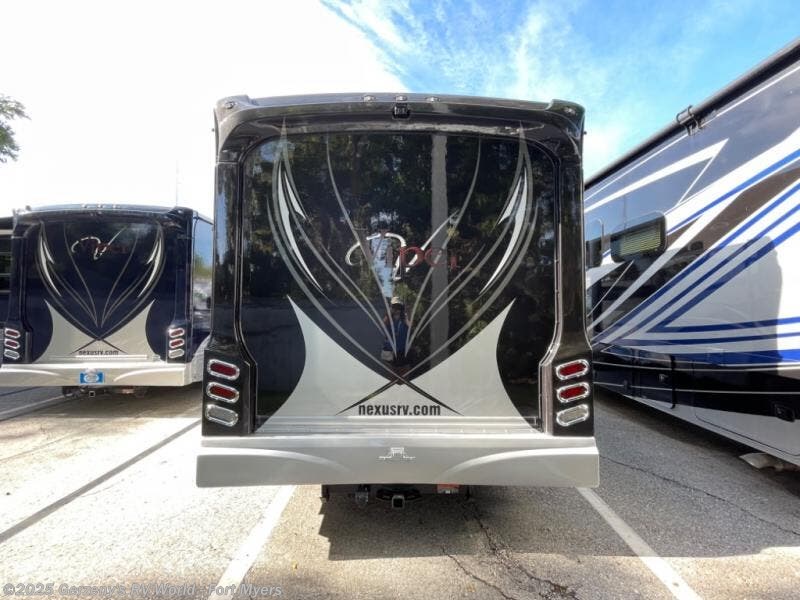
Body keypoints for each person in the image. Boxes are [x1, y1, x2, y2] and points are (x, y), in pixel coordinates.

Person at [381, 297, 410, 369]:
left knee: (404, 371)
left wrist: (405, 315)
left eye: (399, 306)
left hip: (402, 350)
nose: (397, 309)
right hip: (390, 351)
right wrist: (389, 313)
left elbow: (410, 326)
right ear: (391, 307)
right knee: (392, 371)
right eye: (394, 306)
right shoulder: (388, 318)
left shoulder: (404, 318)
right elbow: (383, 325)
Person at [369, 221, 394, 301]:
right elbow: (373, 250)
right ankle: (382, 296)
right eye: (385, 230)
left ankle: (387, 296)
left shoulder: (387, 239)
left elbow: (389, 252)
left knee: (386, 279)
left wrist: (389, 263)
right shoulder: (374, 237)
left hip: (383, 262)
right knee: (382, 278)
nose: (386, 231)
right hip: (377, 261)